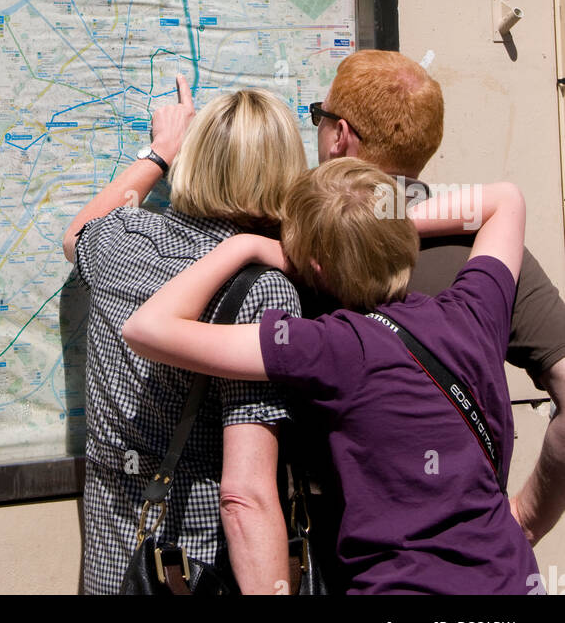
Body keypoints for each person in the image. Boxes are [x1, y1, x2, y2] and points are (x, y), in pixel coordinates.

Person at [123, 159, 542, 595]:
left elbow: (145, 329)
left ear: (315, 269)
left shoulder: (332, 348)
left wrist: (243, 247)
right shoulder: (474, 311)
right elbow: (505, 200)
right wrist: (375, 230)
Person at [311, 49, 565, 547]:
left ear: (340, 136)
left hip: (336, 561)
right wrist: (526, 519)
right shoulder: (492, 250)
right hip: (472, 561)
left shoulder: (297, 249)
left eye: (318, 119)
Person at [62, 77, 306, 595]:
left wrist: (160, 151)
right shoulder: (265, 292)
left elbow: (76, 233)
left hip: (114, 574)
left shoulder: (120, 240)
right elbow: (246, 497)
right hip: (199, 575)